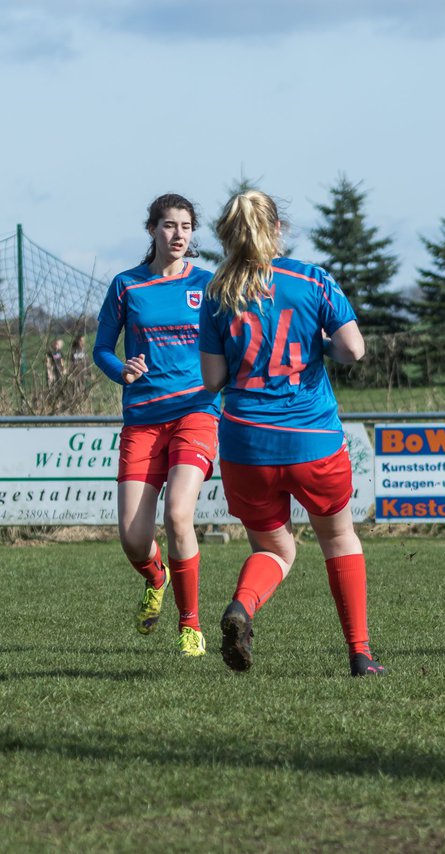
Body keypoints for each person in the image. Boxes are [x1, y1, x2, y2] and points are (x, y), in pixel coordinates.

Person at [198, 189, 385, 677]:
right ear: (277, 229)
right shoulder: (312, 279)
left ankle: (243, 607)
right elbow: (353, 350)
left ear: (228, 233)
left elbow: (213, 381)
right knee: (340, 540)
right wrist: (318, 343)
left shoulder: (218, 293)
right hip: (312, 439)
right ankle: (360, 654)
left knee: (273, 549)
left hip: (245, 443)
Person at [94, 193, 219, 658]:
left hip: (196, 412)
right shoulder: (127, 285)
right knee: (133, 539)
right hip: (142, 421)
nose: (179, 234)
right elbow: (102, 348)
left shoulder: (209, 285)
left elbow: (236, 336)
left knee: (179, 516)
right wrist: (120, 369)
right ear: (152, 230)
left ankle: (190, 626)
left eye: (186, 226)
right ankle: (156, 576)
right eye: (169, 225)